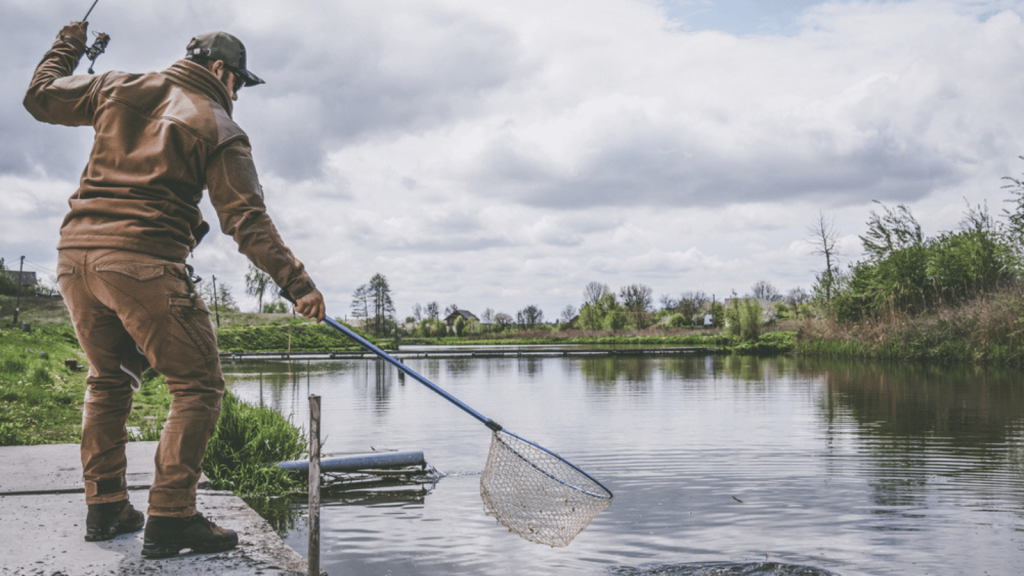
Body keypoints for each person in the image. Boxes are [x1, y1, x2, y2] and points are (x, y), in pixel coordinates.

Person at [24, 22, 326, 558]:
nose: (237, 95)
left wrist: (68, 44)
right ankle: (172, 517)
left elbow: (41, 96)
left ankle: (107, 506)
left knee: (108, 381)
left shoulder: (115, 87)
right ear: (218, 71)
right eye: (238, 83)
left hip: (74, 259)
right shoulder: (217, 125)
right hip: (142, 263)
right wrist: (297, 285)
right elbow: (246, 220)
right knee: (198, 386)